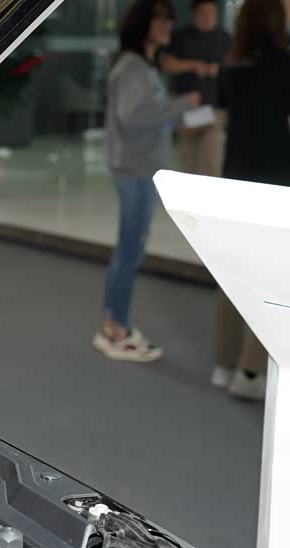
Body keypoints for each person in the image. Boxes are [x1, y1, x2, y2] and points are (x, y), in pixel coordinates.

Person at [93, 0, 200, 362]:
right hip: (135, 172)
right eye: (161, 20)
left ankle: (111, 325)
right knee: (130, 251)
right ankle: (118, 331)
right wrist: (181, 104)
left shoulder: (139, 66)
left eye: (170, 20)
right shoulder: (134, 67)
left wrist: (177, 117)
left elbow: (145, 117)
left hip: (138, 169)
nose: (168, 26)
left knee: (127, 250)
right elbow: (133, 117)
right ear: (144, 24)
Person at [209, 0, 290, 399]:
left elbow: (224, 113)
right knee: (268, 279)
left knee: (233, 276)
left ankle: (224, 364)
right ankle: (251, 371)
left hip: (235, 178)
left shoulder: (232, 66)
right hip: (274, 181)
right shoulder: (285, 66)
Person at [161, 0, 230, 178]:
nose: (207, 17)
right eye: (203, 13)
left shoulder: (225, 38)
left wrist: (218, 69)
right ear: (194, 14)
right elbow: (167, 64)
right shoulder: (181, 37)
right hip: (188, 108)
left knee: (211, 160)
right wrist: (194, 65)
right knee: (188, 161)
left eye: (211, 13)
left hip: (214, 109)